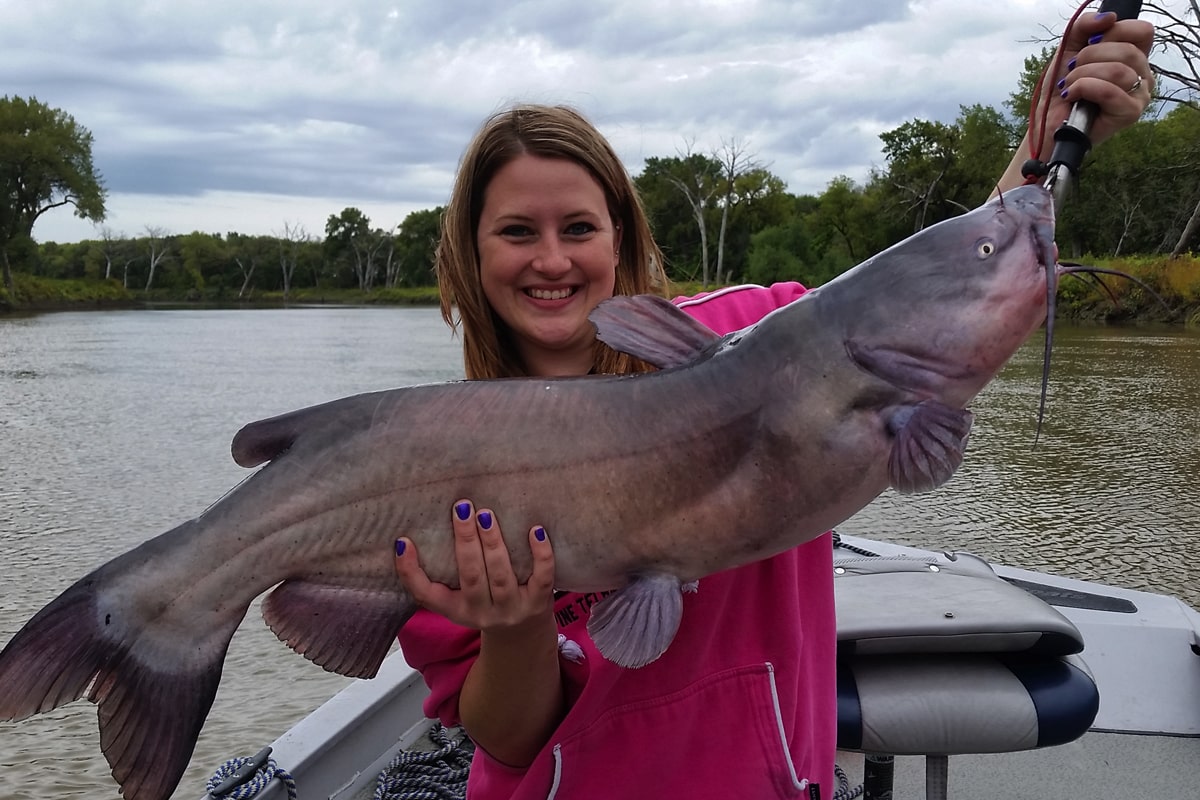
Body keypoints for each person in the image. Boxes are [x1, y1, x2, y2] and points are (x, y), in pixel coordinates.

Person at [392, 12, 1155, 799]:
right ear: (469, 253)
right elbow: (507, 736)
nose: (551, 258)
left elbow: (932, 290)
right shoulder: (434, 467)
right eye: (518, 231)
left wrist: (1051, 133)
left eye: (578, 227)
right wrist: (515, 627)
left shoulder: (765, 336)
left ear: (618, 238)